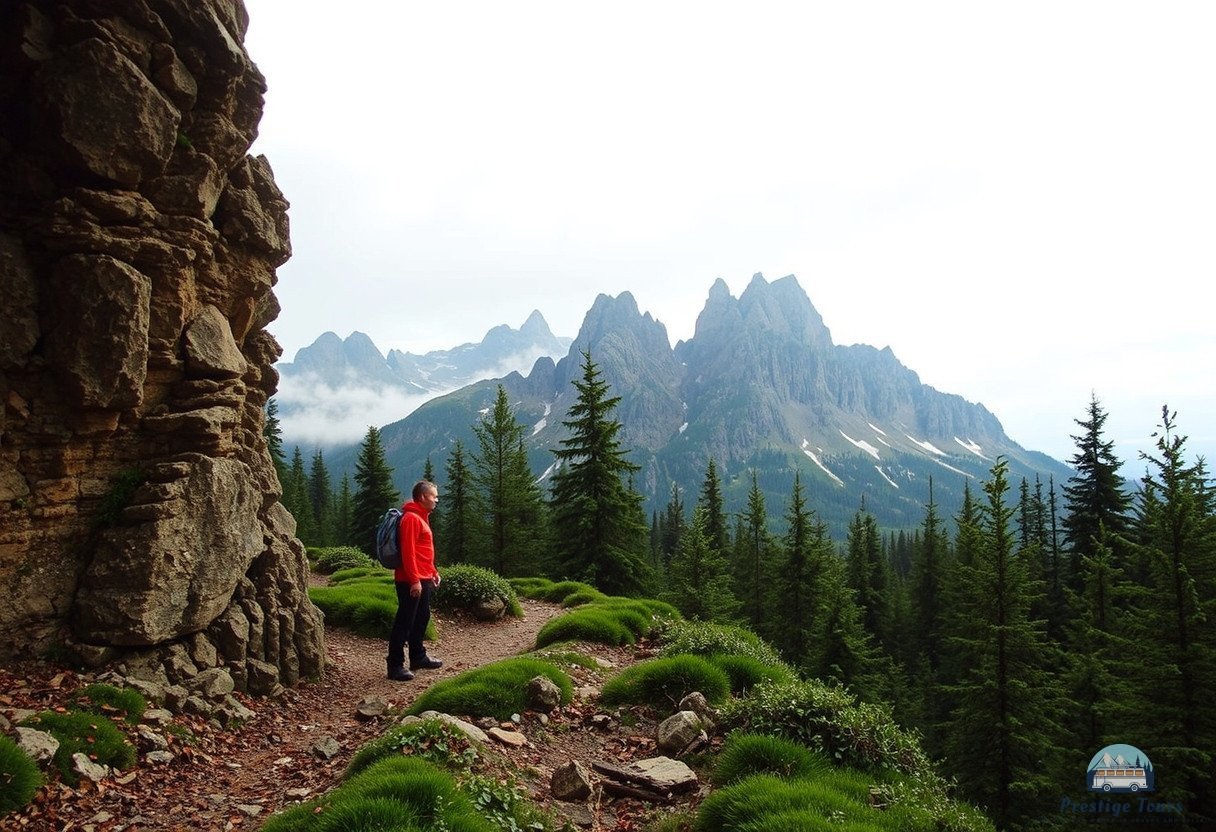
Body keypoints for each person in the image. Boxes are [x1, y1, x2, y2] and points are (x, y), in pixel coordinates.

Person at [387, 479, 444, 681]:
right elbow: (408, 552)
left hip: (423, 576)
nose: (437, 500)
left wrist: (433, 571)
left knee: (421, 617)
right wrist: (414, 580)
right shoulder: (411, 518)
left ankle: (418, 656)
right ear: (422, 497)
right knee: (405, 621)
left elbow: (422, 551)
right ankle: (394, 665)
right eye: (434, 496)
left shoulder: (421, 517)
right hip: (410, 580)